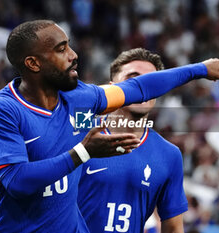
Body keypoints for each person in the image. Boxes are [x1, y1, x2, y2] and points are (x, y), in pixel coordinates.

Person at [0, 19, 219, 232]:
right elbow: (16, 182)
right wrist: (84, 152)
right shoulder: (0, 110)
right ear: (33, 63)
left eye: (69, 46)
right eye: (60, 49)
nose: (73, 55)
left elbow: (138, 88)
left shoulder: (80, 98)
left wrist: (201, 69)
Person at [78, 48, 186, 233]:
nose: (142, 88)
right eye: (133, 79)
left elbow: (173, 227)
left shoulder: (169, 154)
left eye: (151, 81)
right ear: (112, 88)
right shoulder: (78, 131)